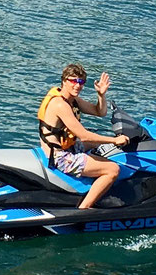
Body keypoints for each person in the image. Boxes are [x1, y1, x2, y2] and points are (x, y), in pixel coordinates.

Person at [37, 64, 128, 210]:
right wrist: (115, 140)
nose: (77, 86)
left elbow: (100, 112)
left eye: (81, 82)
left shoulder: (73, 100)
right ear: (64, 81)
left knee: (102, 146)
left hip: (68, 146)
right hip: (60, 156)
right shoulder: (60, 105)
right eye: (73, 81)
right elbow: (84, 136)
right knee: (112, 169)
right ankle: (84, 209)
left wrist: (101, 95)